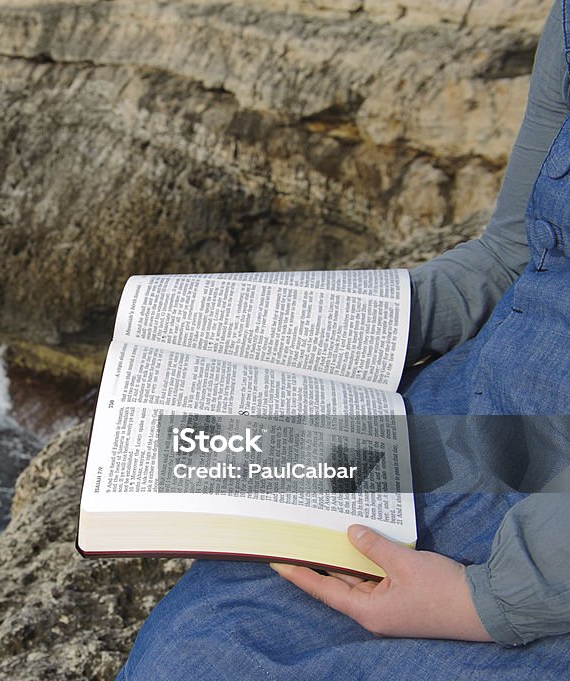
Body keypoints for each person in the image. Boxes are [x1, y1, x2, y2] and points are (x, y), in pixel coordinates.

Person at [116, 1, 570, 678]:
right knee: (187, 653)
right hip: (472, 419)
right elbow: (513, 254)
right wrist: (333, 323)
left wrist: (485, 600)